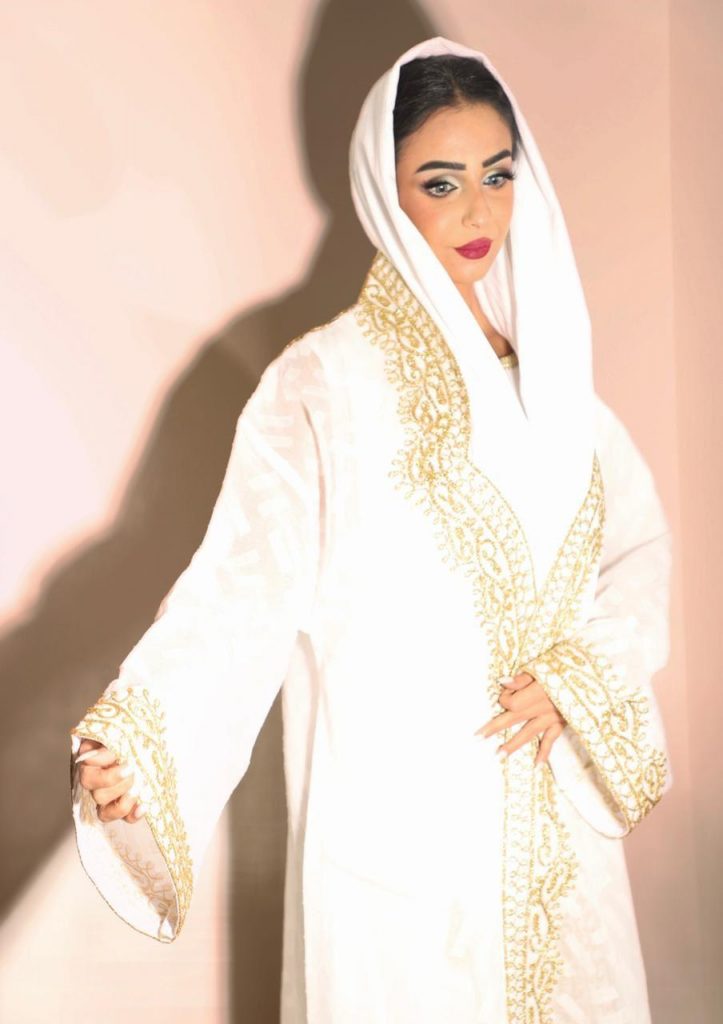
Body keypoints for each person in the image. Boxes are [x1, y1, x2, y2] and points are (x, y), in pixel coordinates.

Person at [70, 35, 673, 1024]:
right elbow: (239, 590)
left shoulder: (559, 389)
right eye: (441, 183)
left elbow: (640, 550)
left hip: (558, 852)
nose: (478, 212)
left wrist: (583, 678)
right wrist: (142, 743)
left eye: (497, 175)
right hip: (404, 852)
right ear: (385, 193)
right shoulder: (322, 386)